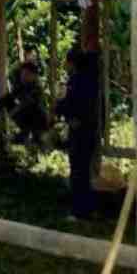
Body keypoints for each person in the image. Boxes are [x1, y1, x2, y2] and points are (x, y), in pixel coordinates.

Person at [56, 46, 103, 220]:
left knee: (78, 171)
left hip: (79, 130)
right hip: (89, 129)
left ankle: (79, 210)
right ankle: (88, 208)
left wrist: (60, 109)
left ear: (71, 63)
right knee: (83, 171)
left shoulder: (75, 82)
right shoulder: (90, 81)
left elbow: (68, 104)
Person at [0, 61, 51, 144]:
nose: (23, 77)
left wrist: (12, 113)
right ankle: (23, 134)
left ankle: (29, 135)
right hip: (26, 120)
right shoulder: (22, 85)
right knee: (7, 102)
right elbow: (9, 96)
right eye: (22, 74)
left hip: (39, 122)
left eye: (26, 74)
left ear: (33, 75)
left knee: (29, 109)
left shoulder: (36, 88)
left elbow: (27, 104)